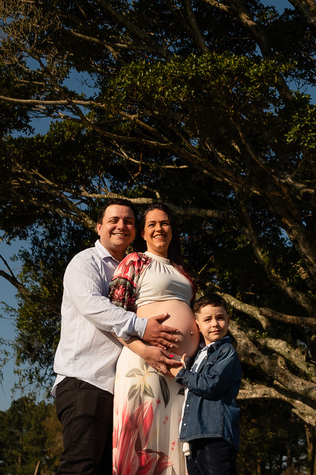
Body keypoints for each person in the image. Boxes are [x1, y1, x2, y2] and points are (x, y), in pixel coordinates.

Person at [54, 200, 184, 475]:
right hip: (86, 381)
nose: (121, 225)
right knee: (81, 466)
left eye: (127, 221)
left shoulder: (135, 265)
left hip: (119, 387)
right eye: (114, 220)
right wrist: (142, 327)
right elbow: (95, 308)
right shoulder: (85, 261)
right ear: (99, 226)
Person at [109, 204, 201, 475]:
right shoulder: (135, 261)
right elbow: (114, 316)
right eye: (152, 224)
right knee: (143, 442)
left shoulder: (183, 272)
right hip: (144, 363)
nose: (160, 229)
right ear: (143, 233)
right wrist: (144, 350)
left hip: (182, 371)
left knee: (174, 447)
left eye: (165, 224)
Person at [174, 293, 242, 475]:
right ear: (197, 324)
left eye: (220, 318)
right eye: (207, 319)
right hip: (194, 435)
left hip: (214, 434)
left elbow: (210, 384)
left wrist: (180, 373)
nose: (214, 324)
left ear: (228, 320)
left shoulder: (227, 352)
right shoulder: (198, 355)